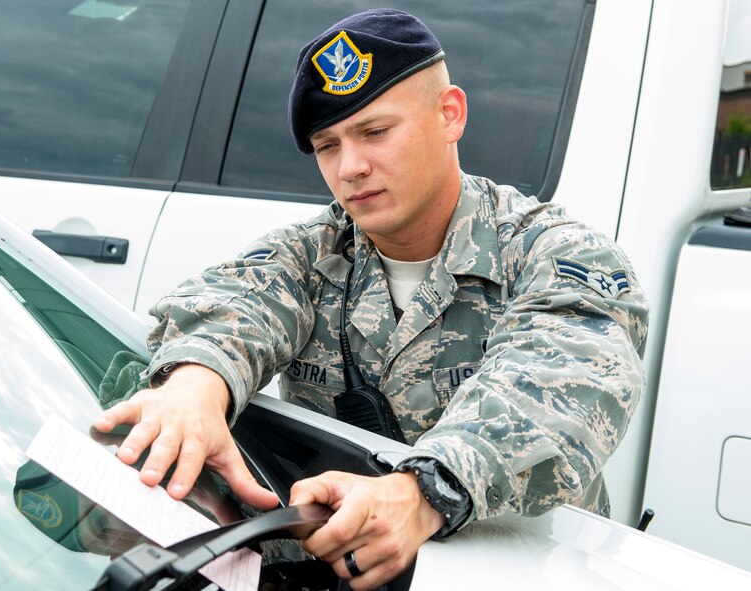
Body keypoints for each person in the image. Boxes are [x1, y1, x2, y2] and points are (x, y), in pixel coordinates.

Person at [94, 8, 648, 589]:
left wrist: (426, 490)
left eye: (375, 132)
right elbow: (235, 304)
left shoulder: (552, 253)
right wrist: (194, 386)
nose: (351, 167)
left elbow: (565, 373)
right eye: (327, 145)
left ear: (449, 114)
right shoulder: (314, 252)